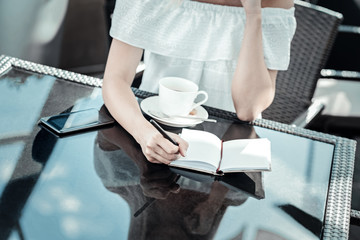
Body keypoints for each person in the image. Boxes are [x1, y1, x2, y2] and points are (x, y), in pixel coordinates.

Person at [102, 0, 296, 164]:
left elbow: (248, 109)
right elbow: (115, 78)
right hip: (151, 127)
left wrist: (253, 15)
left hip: (229, 144)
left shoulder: (275, 2)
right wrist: (144, 133)